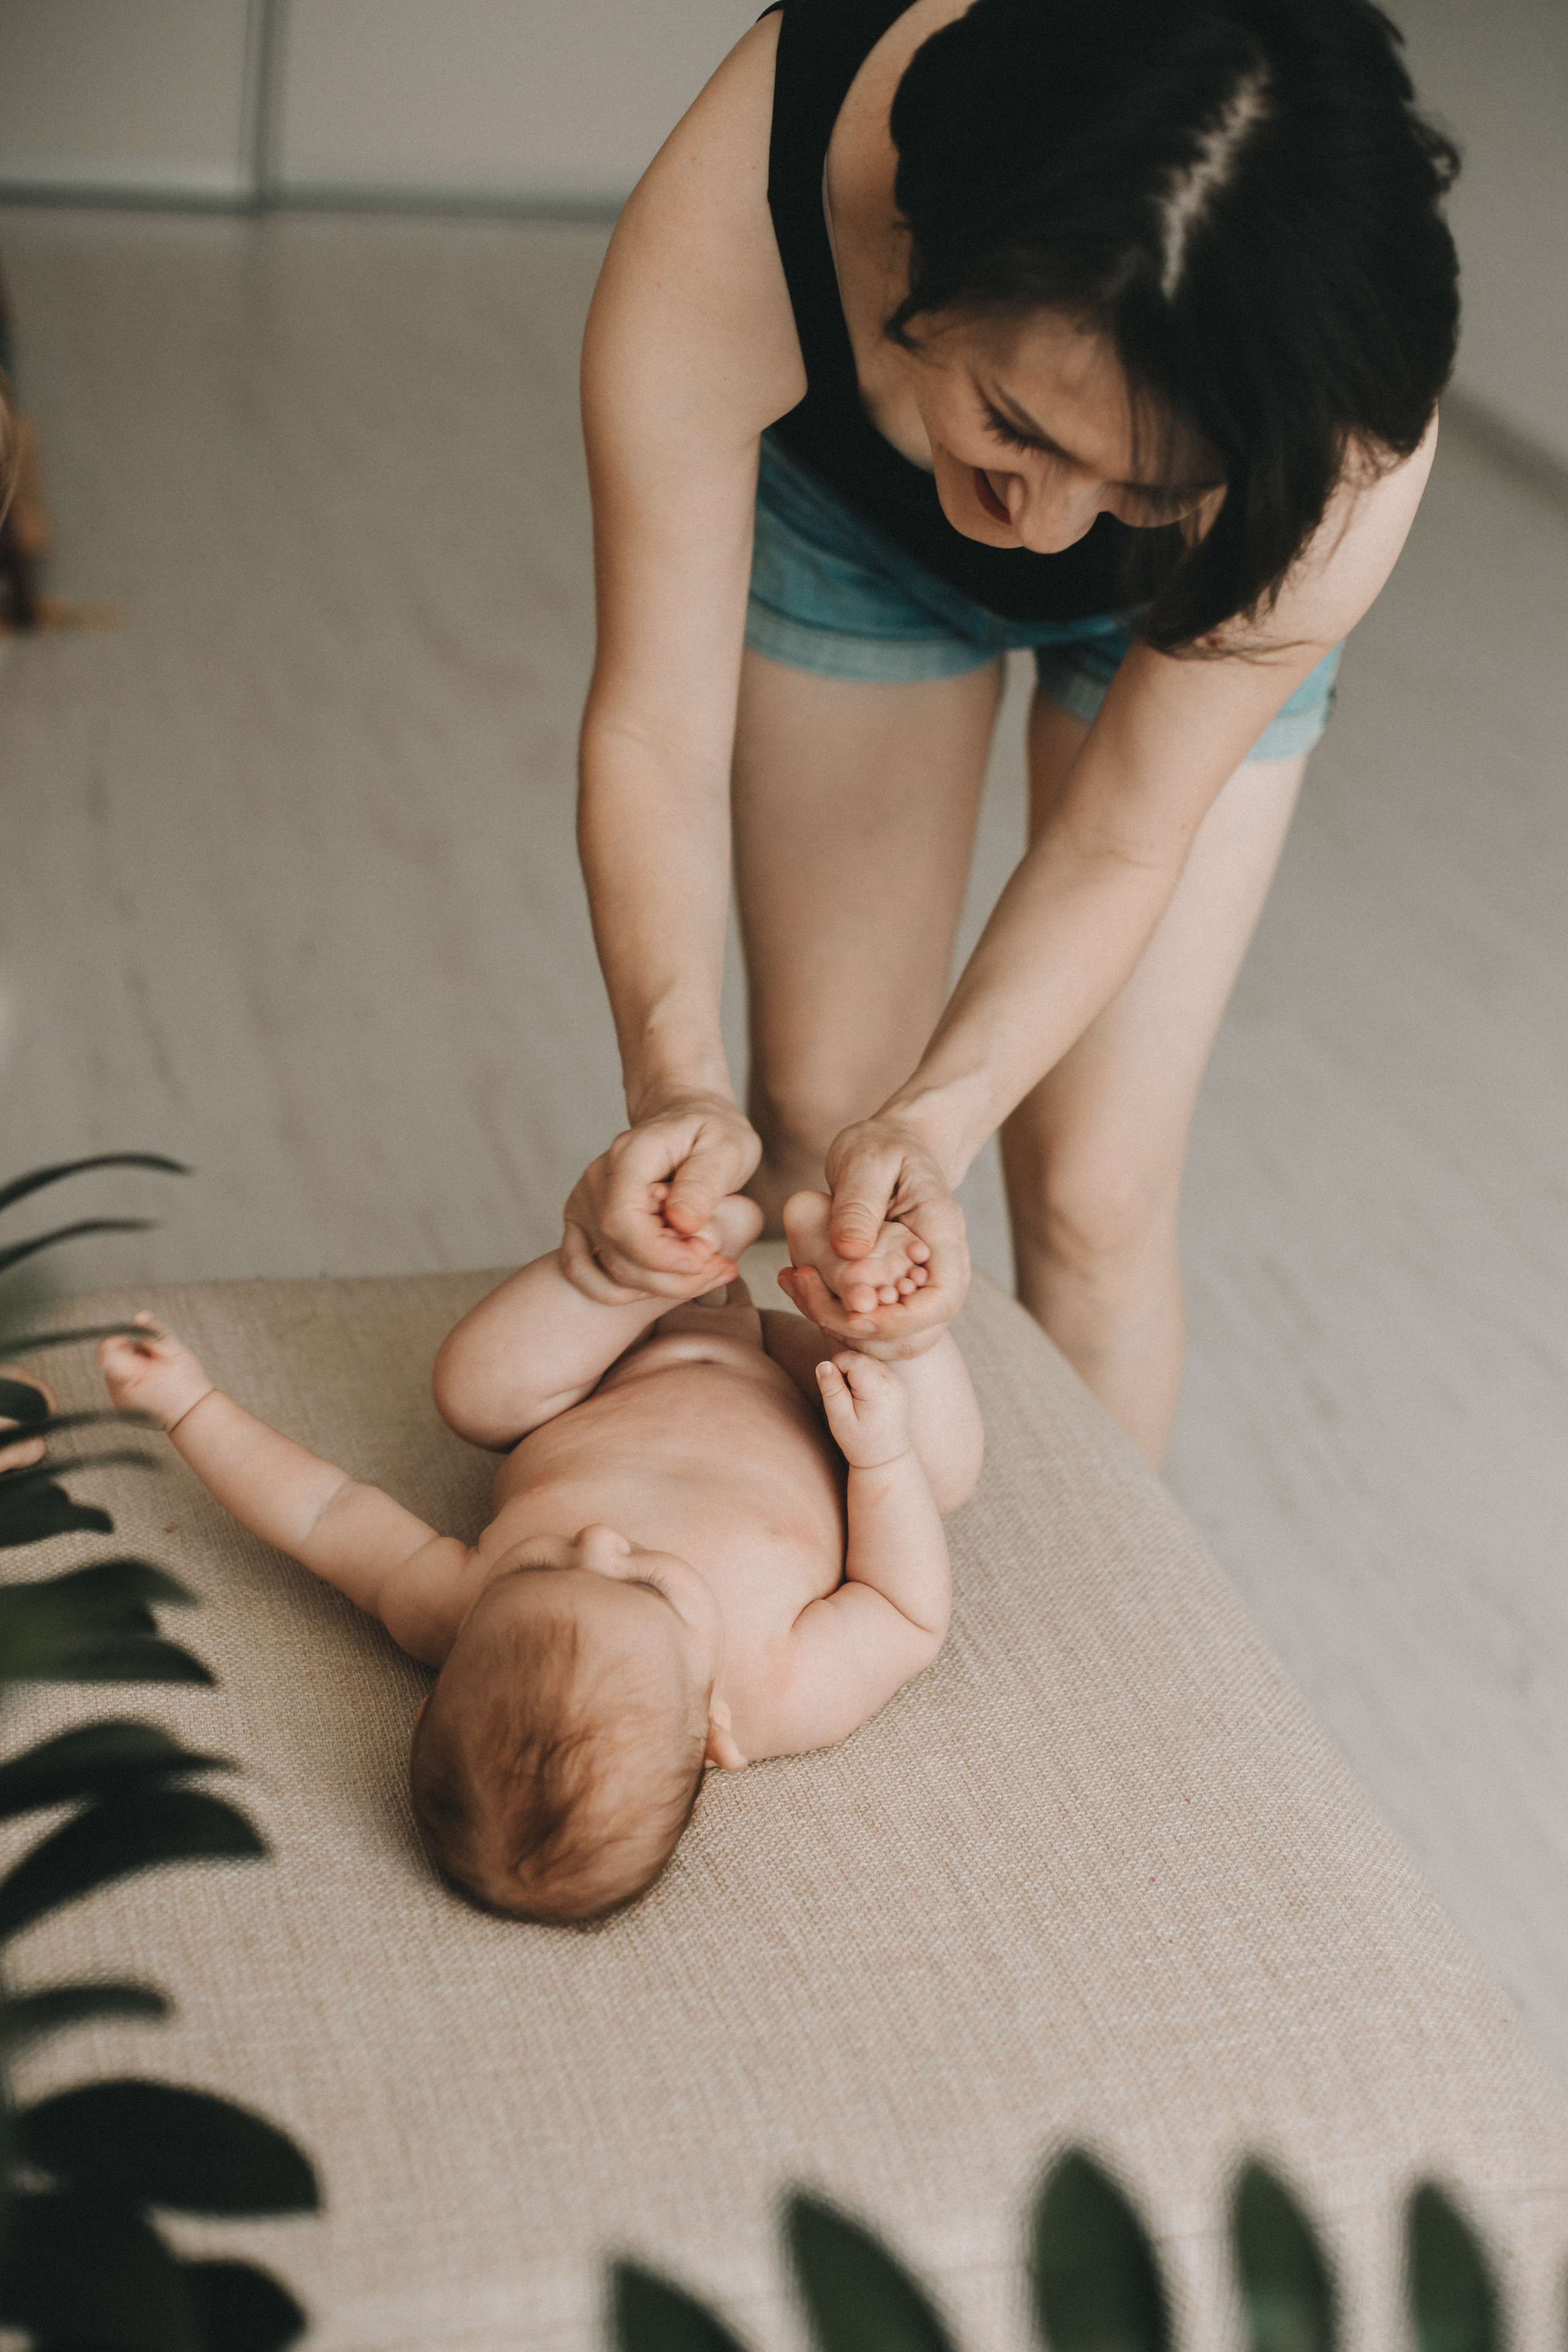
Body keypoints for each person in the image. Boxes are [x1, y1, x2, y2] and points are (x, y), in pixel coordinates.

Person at [565, 0, 1460, 1464]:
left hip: (1198, 598)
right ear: (921, 244)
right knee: (814, 1129)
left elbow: (1121, 835)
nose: (1042, 530)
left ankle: (1107, 1673)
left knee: (1093, 1194)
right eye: (1011, 426)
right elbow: (654, 728)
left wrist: (947, 1116)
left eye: (1135, 480)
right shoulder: (752, 190)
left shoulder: (1338, 431)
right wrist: (672, 1077)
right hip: (850, 535)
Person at [97, 1191, 981, 1925]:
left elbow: (323, 1514)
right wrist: (881, 1458)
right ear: (711, 1727)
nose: (597, 1542)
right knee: (944, 1471)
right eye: (647, 1587)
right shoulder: (776, 1692)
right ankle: (877, 1309)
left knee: (475, 1389)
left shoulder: (450, 1606)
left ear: (450, 1669)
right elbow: (905, 1614)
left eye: (539, 1567)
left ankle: (637, 1266)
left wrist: (188, 1406)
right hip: (815, 1392)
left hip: (628, 1356)